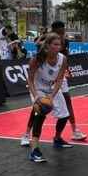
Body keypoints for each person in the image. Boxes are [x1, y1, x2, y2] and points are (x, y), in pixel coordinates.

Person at [24, 33, 70, 162]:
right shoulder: (37, 59)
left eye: (59, 44)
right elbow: (30, 80)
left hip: (51, 89)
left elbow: (60, 79)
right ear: (48, 46)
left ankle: (57, 138)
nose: (58, 47)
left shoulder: (63, 59)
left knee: (65, 115)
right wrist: (36, 97)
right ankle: (34, 150)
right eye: (55, 44)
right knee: (40, 114)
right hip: (37, 89)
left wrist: (52, 95)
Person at [51, 21, 87, 141]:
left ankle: (74, 131)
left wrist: (67, 70)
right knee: (41, 107)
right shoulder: (47, 41)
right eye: (61, 30)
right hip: (48, 77)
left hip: (60, 75)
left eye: (64, 30)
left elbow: (65, 57)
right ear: (55, 30)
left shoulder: (66, 41)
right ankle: (27, 133)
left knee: (68, 101)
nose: (63, 32)